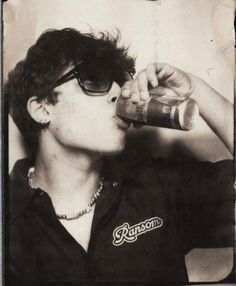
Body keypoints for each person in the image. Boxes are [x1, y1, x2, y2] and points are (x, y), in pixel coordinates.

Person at [5, 28, 234, 285]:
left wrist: (194, 90)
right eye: (94, 79)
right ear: (42, 108)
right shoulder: (8, 220)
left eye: (120, 80)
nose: (119, 92)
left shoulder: (157, 186)